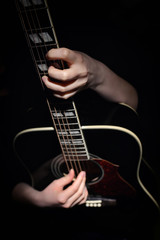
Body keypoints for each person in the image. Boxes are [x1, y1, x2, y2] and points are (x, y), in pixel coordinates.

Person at [11, 47, 138, 209]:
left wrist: (97, 74)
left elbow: (132, 106)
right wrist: (37, 199)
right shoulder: (18, 100)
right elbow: (8, 174)